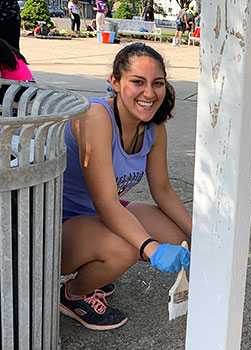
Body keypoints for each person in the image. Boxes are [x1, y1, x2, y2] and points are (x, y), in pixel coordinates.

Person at [59, 43, 192, 330]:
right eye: (137, 82)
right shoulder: (95, 117)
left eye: (157, 84)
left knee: (178, 236)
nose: (149, 93)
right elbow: (107, 203)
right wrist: (151, 248)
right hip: (55, 224)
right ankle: (73, 294)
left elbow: (163, 190)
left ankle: (98, 269)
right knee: (126, 248)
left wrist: (200, 238)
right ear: (115, 82)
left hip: (95, 216)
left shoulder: (154, 127)